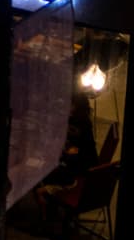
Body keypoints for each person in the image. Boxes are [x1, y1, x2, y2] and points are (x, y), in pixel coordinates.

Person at [35, 93, 99, 232]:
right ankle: (51, 210)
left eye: (70, 104)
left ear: (77, 107)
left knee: (43, 172)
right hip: (79, 166)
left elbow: (76, 153)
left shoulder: (81, 124)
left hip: (80, 176)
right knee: (44, 169)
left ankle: (48, 214)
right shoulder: (78, 120)